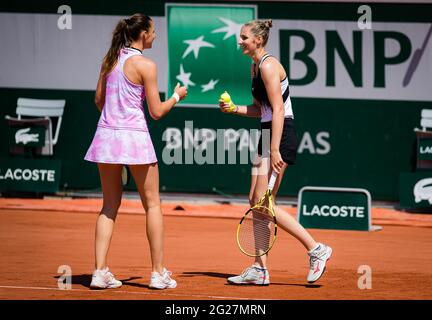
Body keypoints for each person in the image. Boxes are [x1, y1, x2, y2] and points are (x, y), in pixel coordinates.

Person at [219, 19, 332, 285]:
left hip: (280, 135)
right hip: (268, 132)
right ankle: (259, 269)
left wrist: (274, 147)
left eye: (244, 37)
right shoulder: (254, 67)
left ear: (258, 39)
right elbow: (263, 109)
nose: (240, 41)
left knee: (264, 202)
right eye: (240, 37)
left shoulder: (269, 65)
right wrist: (234, 108)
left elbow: (279, 110)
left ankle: (316, 249)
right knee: (255, 200)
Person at [84, 13, 187, 290]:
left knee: (108, 205)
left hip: (106, 138)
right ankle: (157, 273)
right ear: (143, 34)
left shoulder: (109, 60)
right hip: (135, 140)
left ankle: (99, 272)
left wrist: (115, 119)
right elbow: (156, 112)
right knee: (153, 204)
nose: (155, 35)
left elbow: (98, 100)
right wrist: (177, 96)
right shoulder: (146, 65)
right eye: (153, 31)